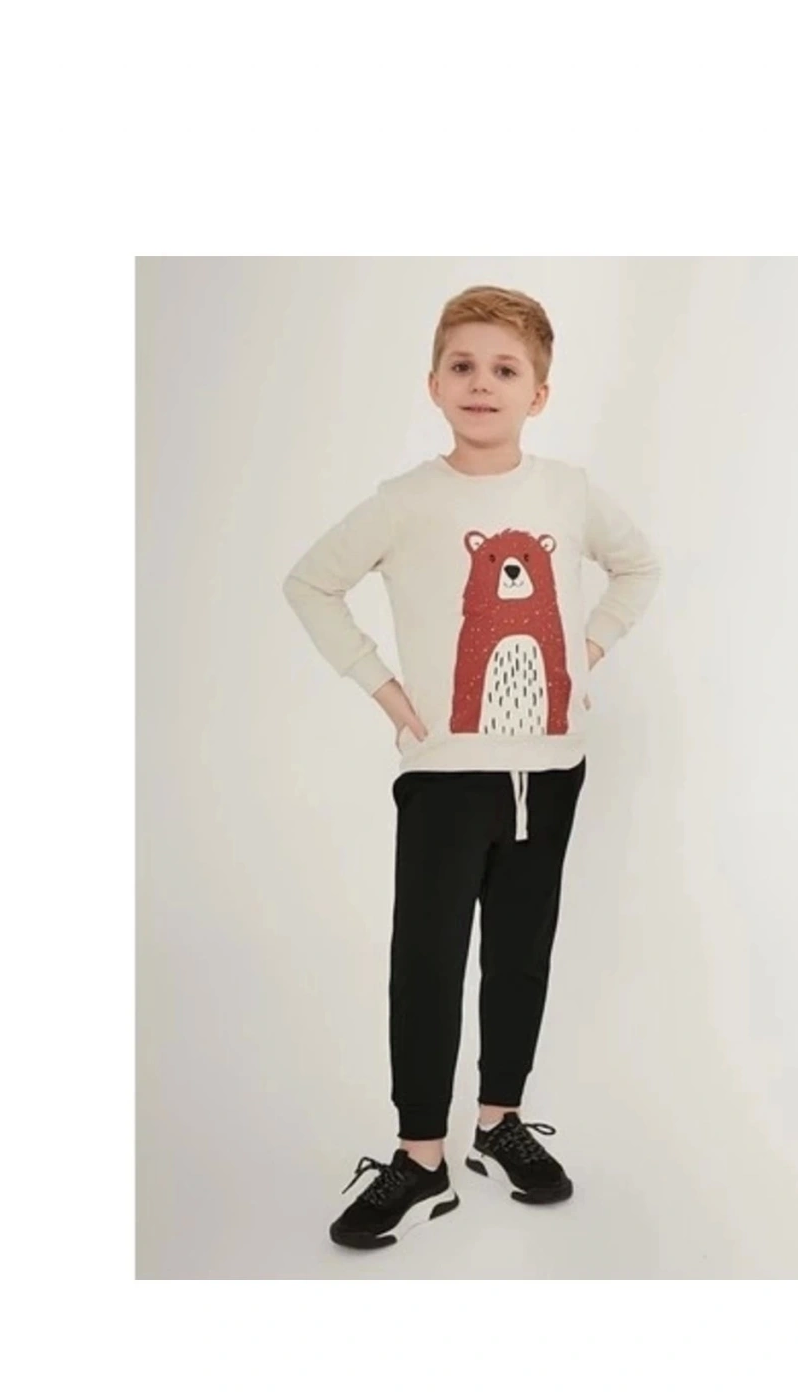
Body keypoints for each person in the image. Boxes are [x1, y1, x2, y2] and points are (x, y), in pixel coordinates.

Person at [282, 284, 662, 1250]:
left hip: (553, 769)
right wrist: (384, 690)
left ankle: (499, 1123)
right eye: (463, 365)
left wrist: (589, 651)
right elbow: (311, 583)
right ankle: (421, 1156)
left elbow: (639, 566)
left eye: (504, 369)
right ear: (433, 383)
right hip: (446, 776)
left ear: (539, 392)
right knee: (428, 960)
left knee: (520, 953)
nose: (481, 383)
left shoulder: (568, 492)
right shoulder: (407, 502)